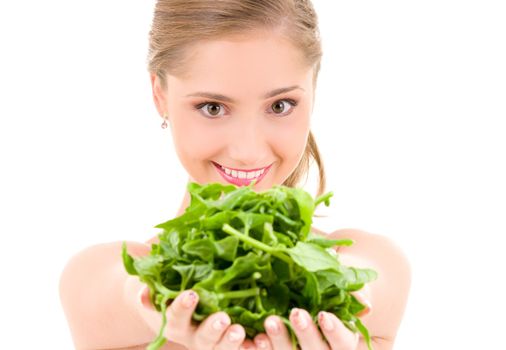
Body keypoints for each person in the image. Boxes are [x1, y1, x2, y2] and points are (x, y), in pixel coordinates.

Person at [59, 1, 411, 349]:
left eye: (280, 106)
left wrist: (339, 285)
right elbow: (118, 292)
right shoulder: (97, 278)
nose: (248, 151)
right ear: (160, 95)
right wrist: (157, 300)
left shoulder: (371, 258)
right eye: (212, 108)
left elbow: (372, 277)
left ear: (313, 93)